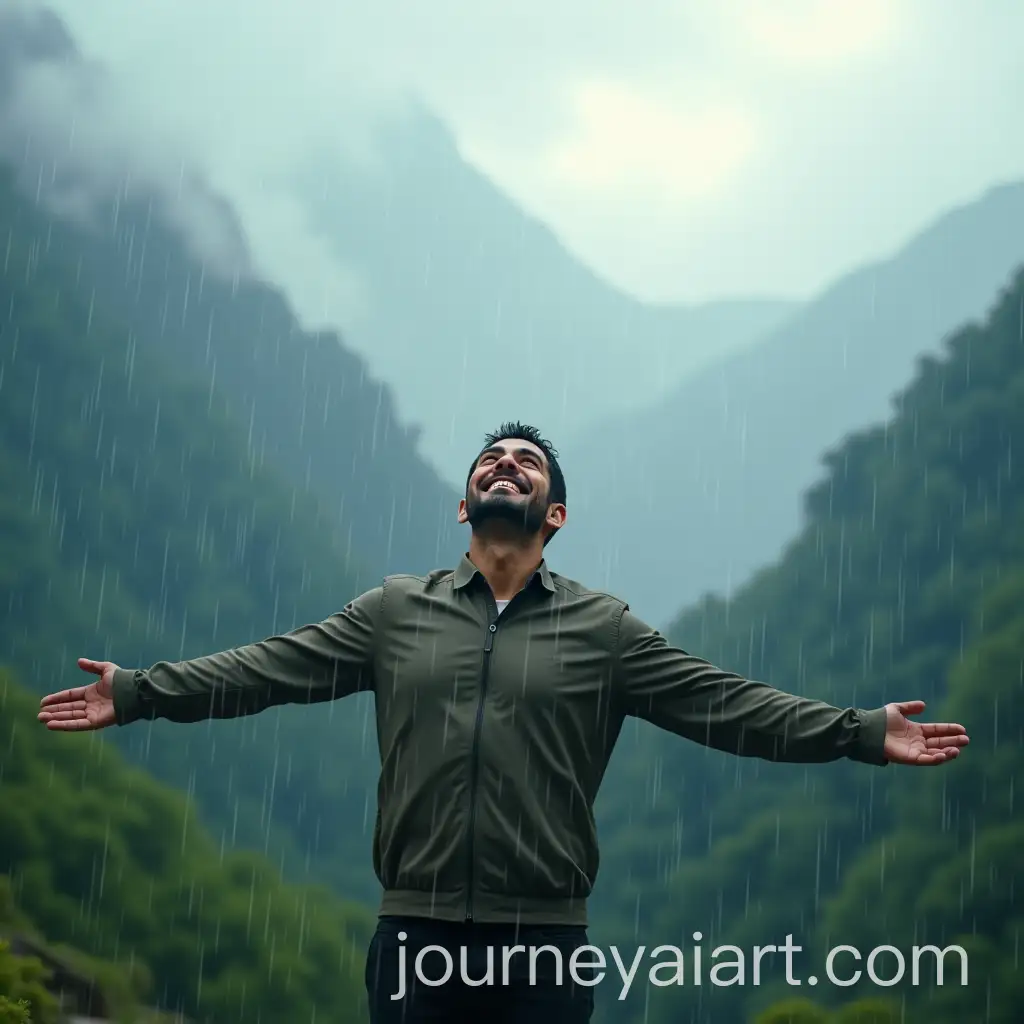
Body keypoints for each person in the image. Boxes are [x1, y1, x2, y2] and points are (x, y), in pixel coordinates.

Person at [38, 421, 970, 1023]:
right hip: (414, 937)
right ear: (464, 505)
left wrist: (857, 731)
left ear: (553, 514)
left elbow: (725, 704)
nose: (505, 465)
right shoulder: (394, 612)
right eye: (491, 460)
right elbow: (265, 669)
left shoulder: (604, 630)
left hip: (545, 948)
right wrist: (140, 691)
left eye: (527, 463)